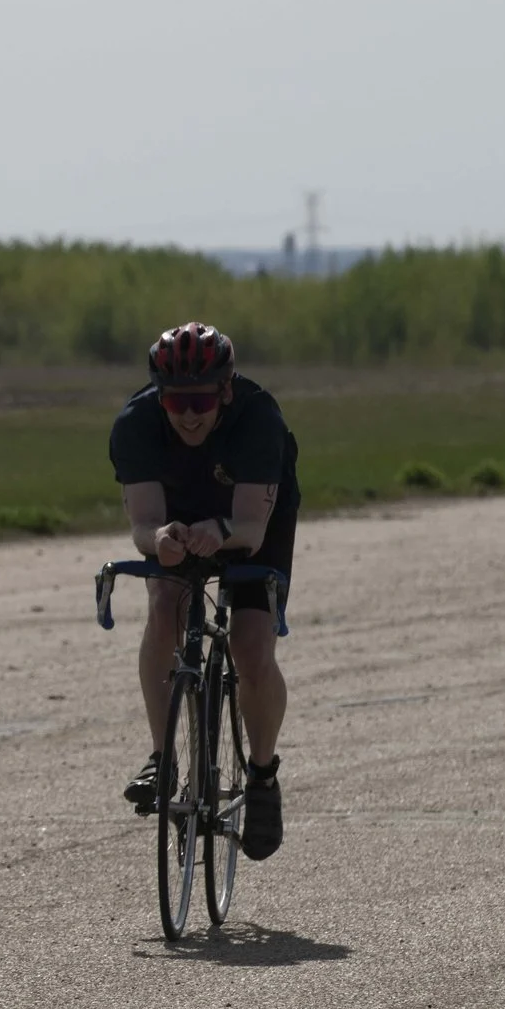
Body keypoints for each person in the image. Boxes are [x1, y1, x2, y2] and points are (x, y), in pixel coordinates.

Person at [107, 322, 299, 860]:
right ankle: (160, 755)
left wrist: (220, 531)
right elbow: (143, 526)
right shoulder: (136, 426)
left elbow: (251, 532)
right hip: (179, 511)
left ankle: (262, 774)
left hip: (249, 515)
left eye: (200, 400)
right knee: (165, 603)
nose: (189, 414)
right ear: (158, 399)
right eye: (175, 402)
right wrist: (160, 539)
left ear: (226, 392)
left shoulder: (258, 421)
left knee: (252, 649)